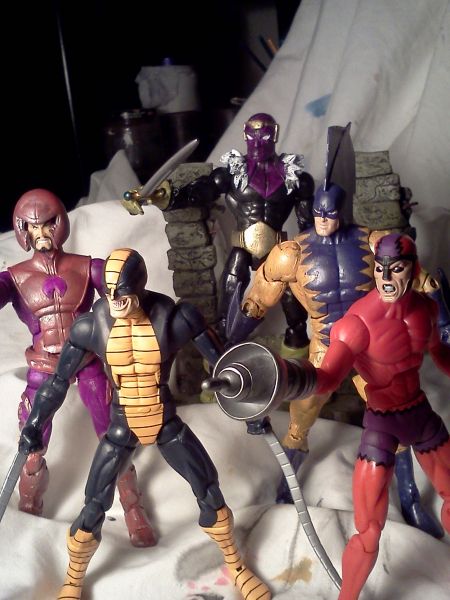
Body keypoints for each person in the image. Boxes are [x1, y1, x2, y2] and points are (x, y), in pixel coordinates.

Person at [226, 126, 448, 538]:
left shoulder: (372, 241)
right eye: (318, 214)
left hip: (374, 351)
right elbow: (256, 299)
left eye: (330, 214)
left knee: (396, 421)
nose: (323, 221)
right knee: (301, 417)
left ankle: (410, 498)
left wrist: (433, 294)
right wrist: (234, 339)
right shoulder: (290, 253)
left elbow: (411, 275)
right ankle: (287, 485)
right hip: (326, 346)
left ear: (341, 211)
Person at [19, 248, 271, 600]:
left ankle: (238, 568)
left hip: (165, 421)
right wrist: (34, 423)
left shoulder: (176, 319)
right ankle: (72, 581)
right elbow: (58, 382)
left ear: (138, 287)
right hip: (121, 426)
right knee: (93, 504)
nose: (114, 301)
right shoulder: (91, 326)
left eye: (121, 293)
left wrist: (253, 406)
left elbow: (226, 363)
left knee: (209, 491)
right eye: (109, 293)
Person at [214, 232, 450, 600]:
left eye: (397, 269)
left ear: (413, 268)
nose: (387, 278)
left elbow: (442, 357)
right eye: (381, 269)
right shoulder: (358, 324)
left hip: (421, 414)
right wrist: (281, 378)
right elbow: (326, 379)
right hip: (383, 425)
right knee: (368, 531)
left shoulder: (427, 311)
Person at [0, 189, 154, 546]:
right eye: (33, 227)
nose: (41, 233)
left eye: (48, 224)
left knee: (114, 433)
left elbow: (128, 294)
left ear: (61, 223)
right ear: (22, 230)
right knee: (33, 440)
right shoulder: (14, 277)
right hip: (44, 365)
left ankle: (132, 507)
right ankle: (30, 503)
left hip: (87, 358)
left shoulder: (88, 267)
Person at [122, 112, 315, 352]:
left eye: (264, 137)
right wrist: (164, 197)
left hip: (278, 249)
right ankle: (225, 347)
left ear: (274, 134)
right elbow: (200, 191)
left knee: (291, 296)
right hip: (243, 245)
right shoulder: (232, 174)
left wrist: (317, 253)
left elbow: (308, 226)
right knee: (231, 288)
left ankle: (297, 348)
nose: (257, 143)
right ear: (244, 134)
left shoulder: (294, 177)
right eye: (252, 136)